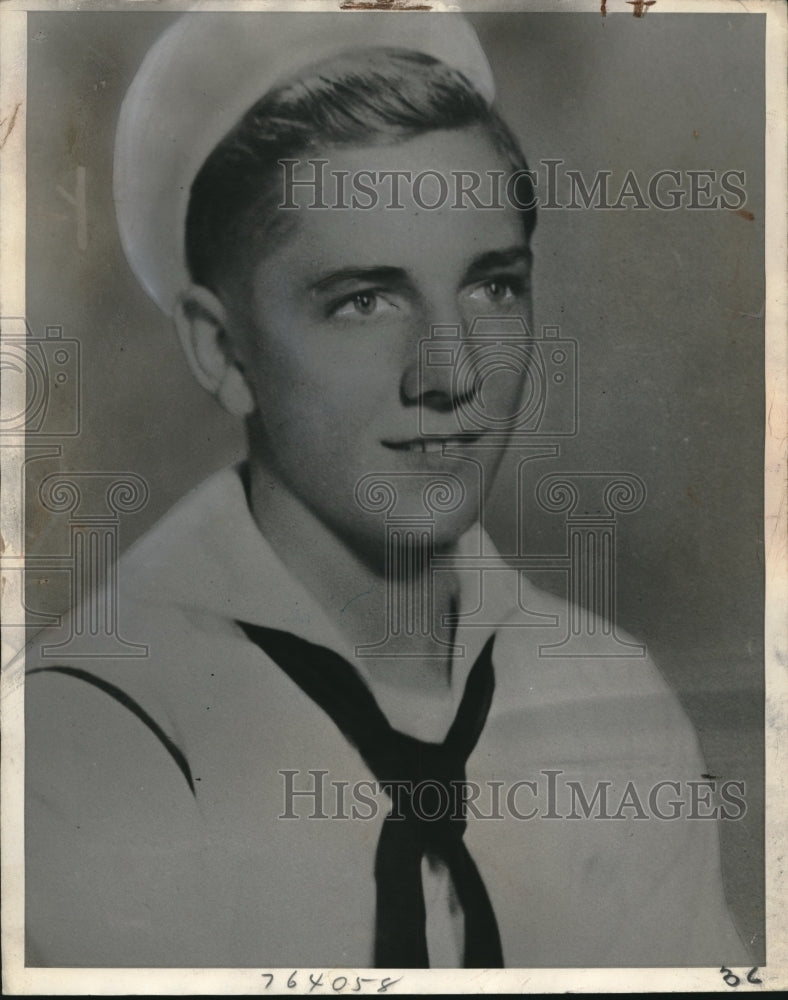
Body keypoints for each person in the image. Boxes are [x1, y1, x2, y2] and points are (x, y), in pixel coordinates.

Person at [23, 11, 750, 969]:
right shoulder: (85, 742)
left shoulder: (612, 700)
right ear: (221, 348)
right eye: (365, 300)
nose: (450, 373)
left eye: (492, 287)